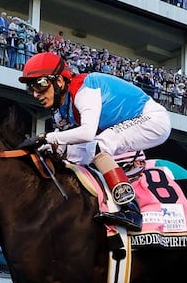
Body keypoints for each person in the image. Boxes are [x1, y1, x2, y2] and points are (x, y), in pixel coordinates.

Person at [17, 51, 172, 231]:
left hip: (153, 119)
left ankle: (132, 210)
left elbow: (87, 133)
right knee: (68, 152)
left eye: (40, 84)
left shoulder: (84, 90)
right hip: (126, 124)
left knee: (100, 145)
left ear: (59, 81)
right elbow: (69, 145)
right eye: (31, 88)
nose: (36, 94)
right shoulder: (62, 108)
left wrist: (47, 137)